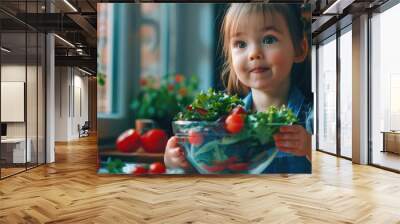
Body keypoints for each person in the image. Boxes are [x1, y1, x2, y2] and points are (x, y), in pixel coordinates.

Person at [164, 3, 313, 173]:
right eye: (241, 44)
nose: (254, 53)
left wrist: (310, 147)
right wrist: (181, 162)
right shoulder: (221, 124)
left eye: (269, 39)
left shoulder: (312, 118)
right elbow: (211, 173)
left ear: (300, 49)